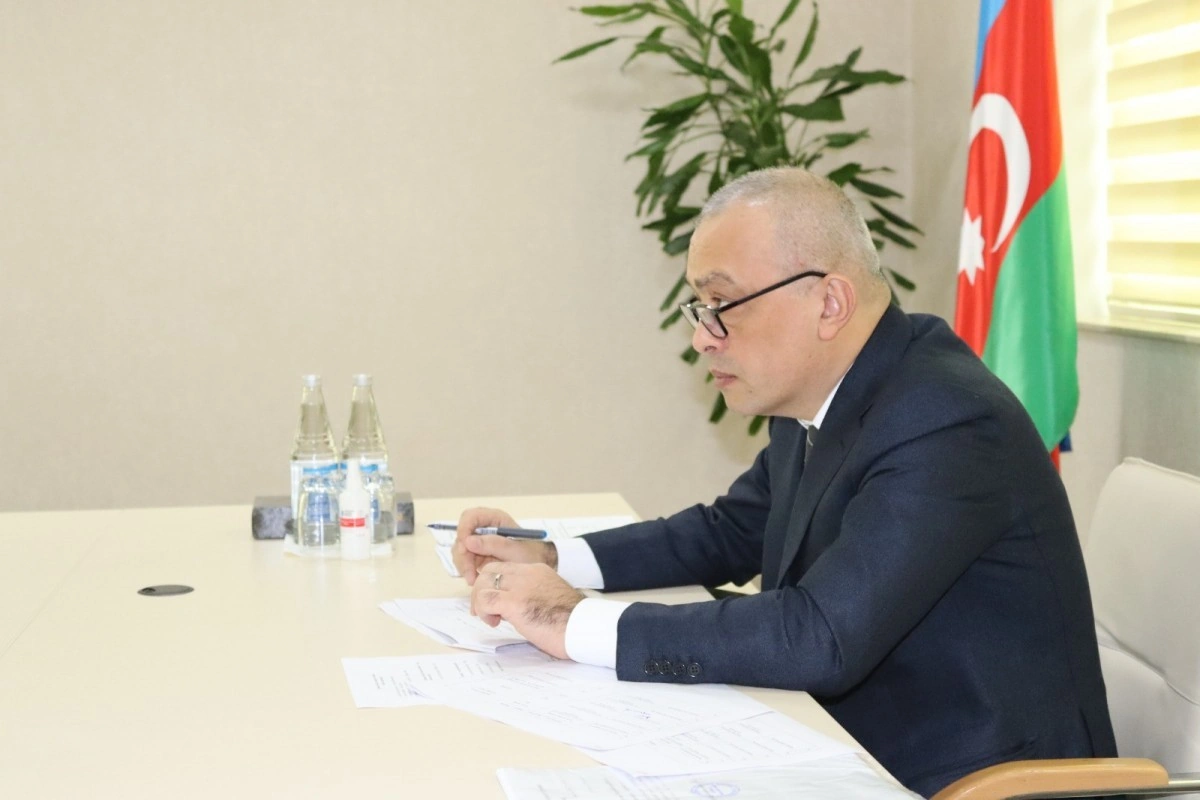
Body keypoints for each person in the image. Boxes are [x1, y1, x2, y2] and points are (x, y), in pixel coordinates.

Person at [451, 167, 1116, 798]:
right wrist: (549, 557)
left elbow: (819, 636)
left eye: (723, 304)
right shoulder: (829, 392)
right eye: (700, 307)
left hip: (962, 775)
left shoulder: (943, 417)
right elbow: (729, 530)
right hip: (849, 738)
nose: (703, 338)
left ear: (829, 302)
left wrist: (570, 619)